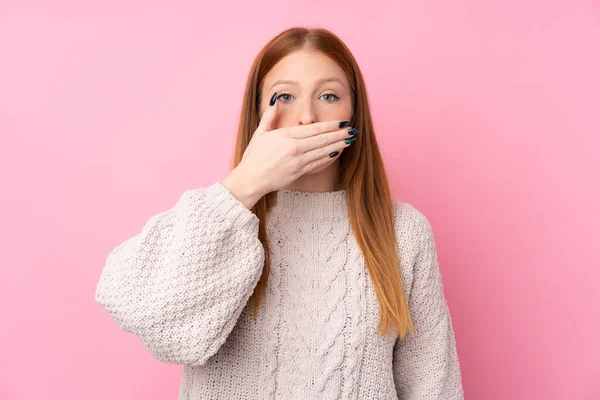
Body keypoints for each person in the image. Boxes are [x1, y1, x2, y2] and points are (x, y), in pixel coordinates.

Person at [94, 26, 464, 399]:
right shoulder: (220, 220)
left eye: (329, 95)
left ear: (354, 114)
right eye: (284, 96)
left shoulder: (403, 231)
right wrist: (243, 186)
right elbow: (147, 316)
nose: (306, 116)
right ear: (258, 112)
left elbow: (433, 384)